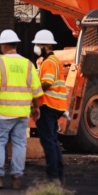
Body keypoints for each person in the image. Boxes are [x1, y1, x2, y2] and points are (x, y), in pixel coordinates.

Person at [0, 29, 43, 190]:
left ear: (3, 46)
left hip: (3, 113)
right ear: (16, 45)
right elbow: (36, 90)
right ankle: (17, 179)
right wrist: (36, 107)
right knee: (19, 144)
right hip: (22, 113)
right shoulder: (28, 64)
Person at [32, 29, 66, 184]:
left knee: (48, 142)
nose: (36, 47)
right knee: (53, 141)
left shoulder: (49, 62)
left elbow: (47, 83)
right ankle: (58, 174)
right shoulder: (54, 61)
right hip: (56, 105)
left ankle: (53, 176)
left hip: (48, 105)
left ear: (45, 46)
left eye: (38, 44)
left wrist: (33, 93)